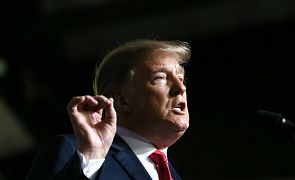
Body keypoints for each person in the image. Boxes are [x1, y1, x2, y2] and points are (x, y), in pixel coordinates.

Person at [26, 39, 191, 180]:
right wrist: (92, 160)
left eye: (181, 78)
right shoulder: (75, 152)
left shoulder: (172, 174)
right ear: (121, 100)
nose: (180, 88)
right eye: (160, 77)